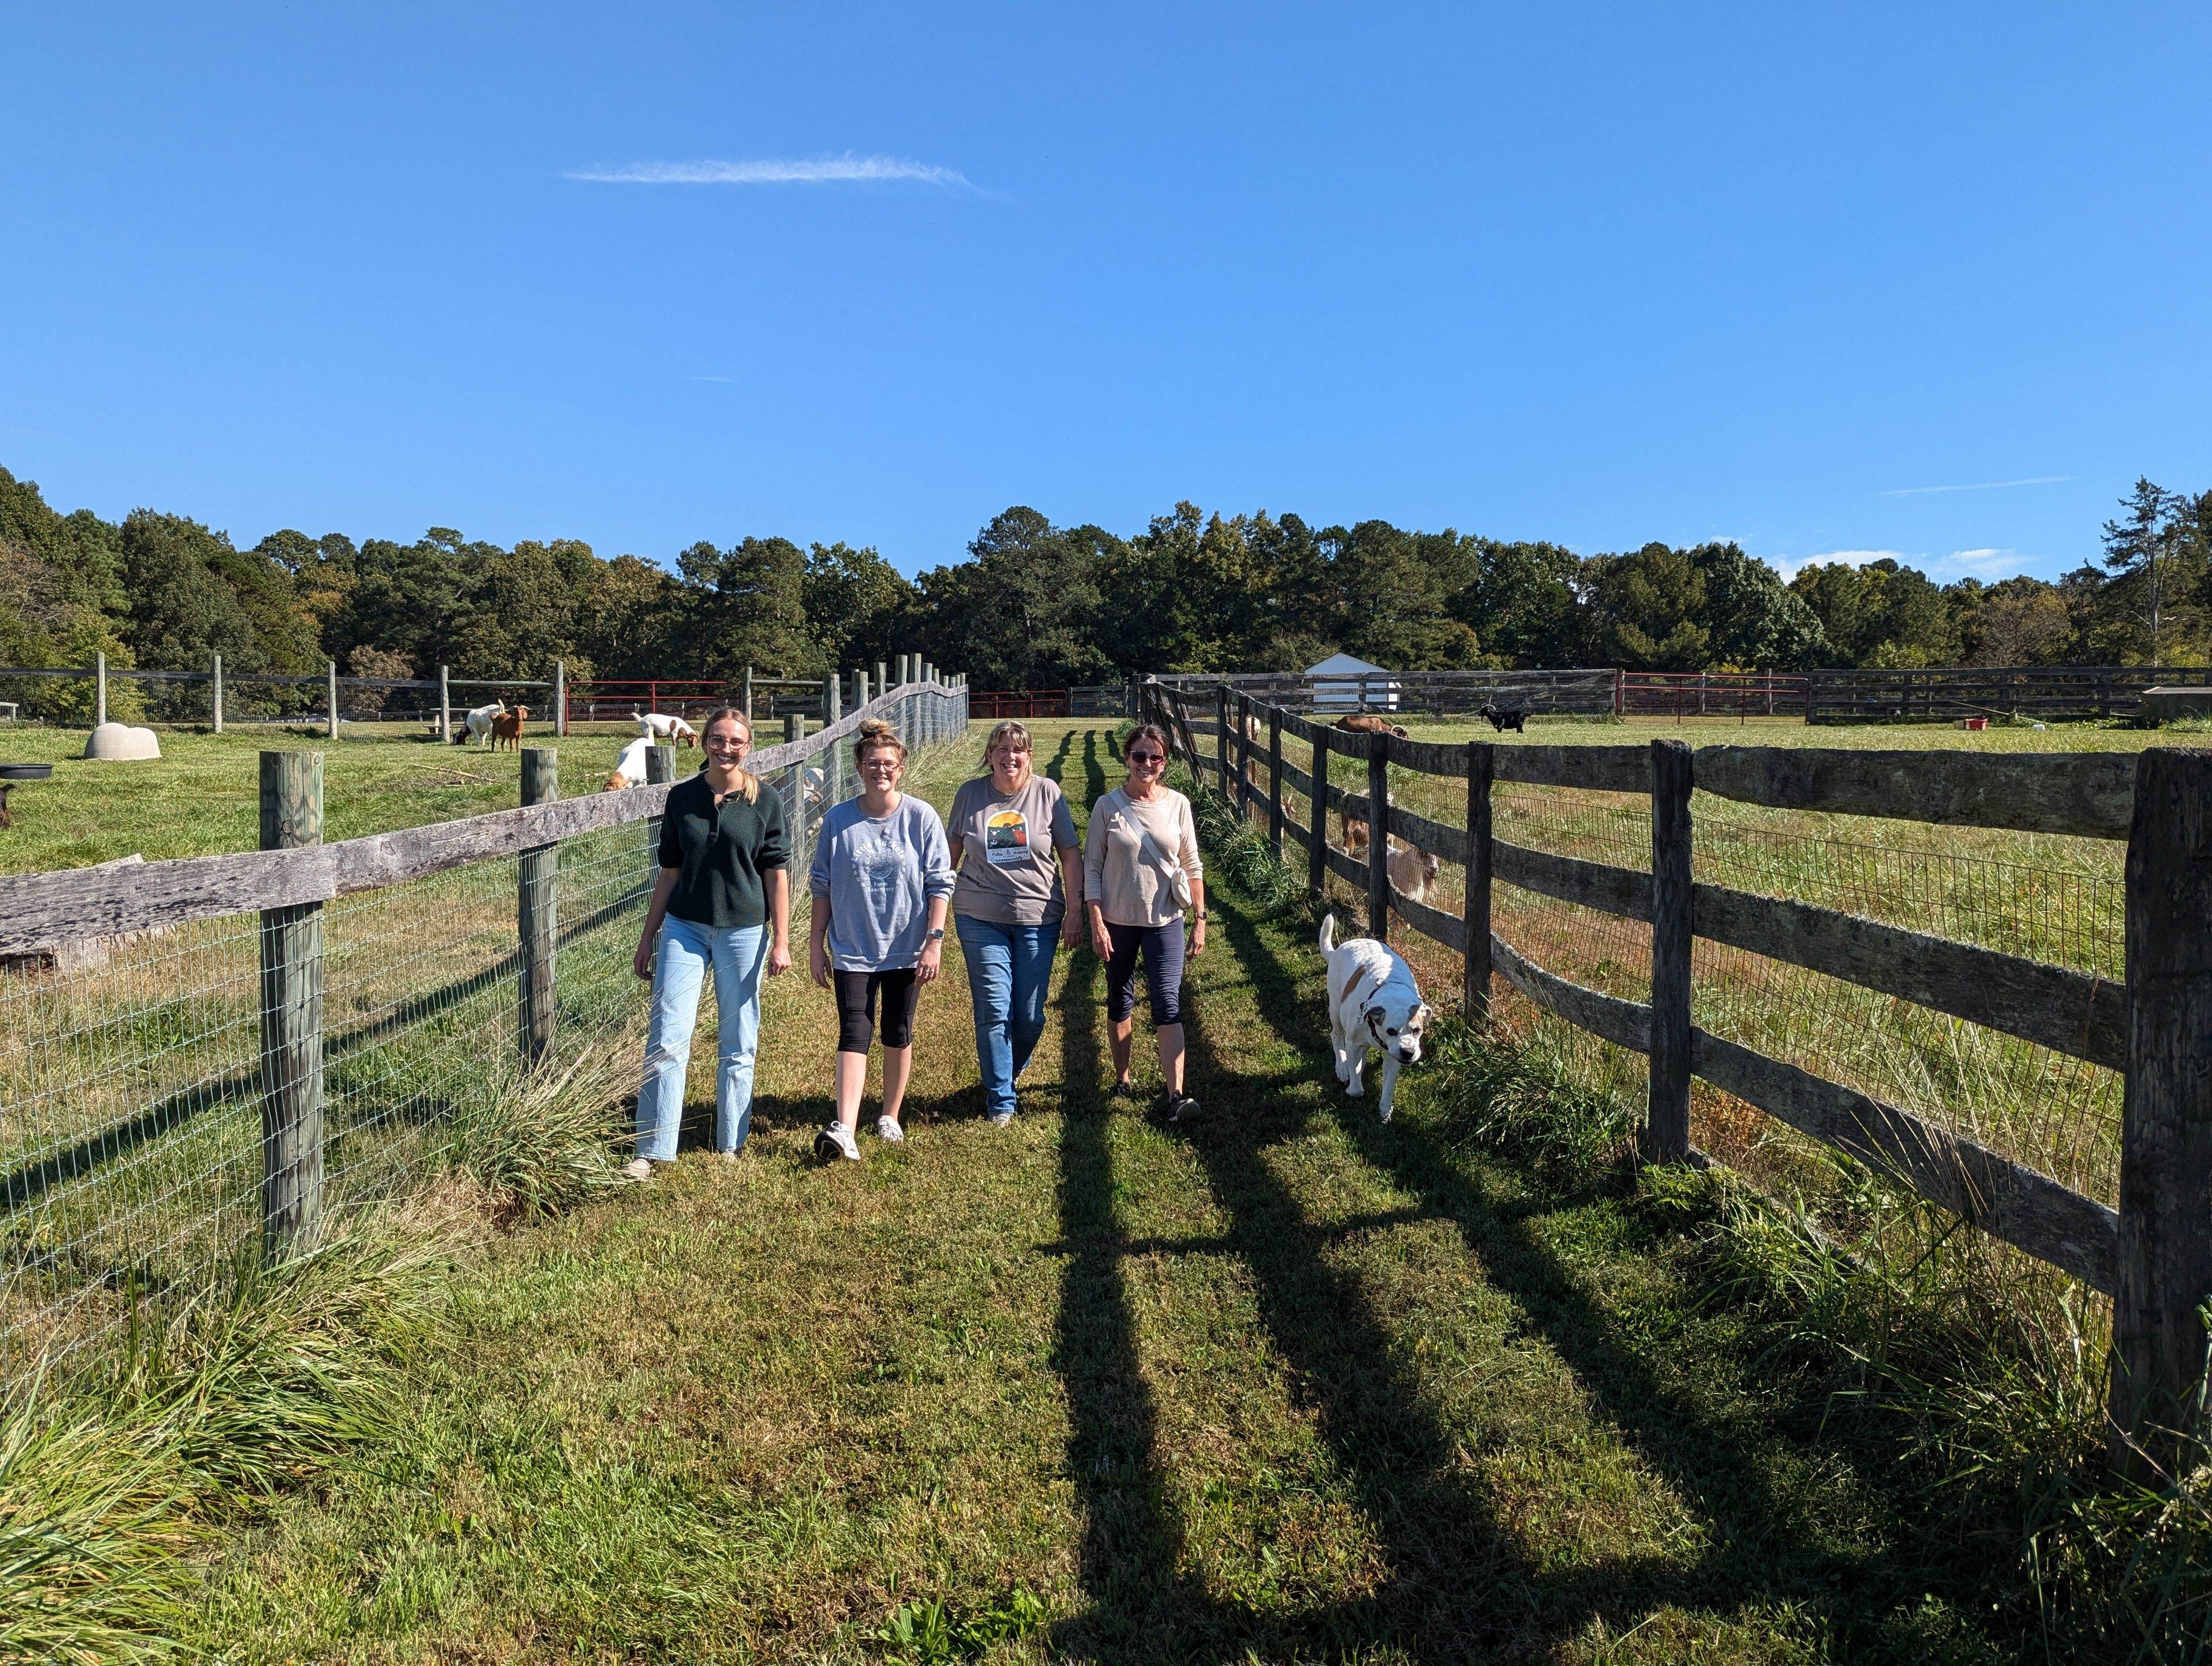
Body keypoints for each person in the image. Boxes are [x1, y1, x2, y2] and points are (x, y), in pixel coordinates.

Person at [627, 707, 792, 1178]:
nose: (726, 748)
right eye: (718, 740)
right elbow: (669, 873)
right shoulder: (682, 798)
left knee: (738, 1039)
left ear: (748, 746)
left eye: (735, 742)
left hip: (744, 930)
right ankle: (652, 1147)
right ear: (704, 743)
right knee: (667, 1037)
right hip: (685, 928)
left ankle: (730, 1142)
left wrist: (781, 939)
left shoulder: (766, 802)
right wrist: (649, 936)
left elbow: (776, 874)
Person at [808, 719, 955, 1163]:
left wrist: (934, 940)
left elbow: (940, 883)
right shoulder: (838, 820)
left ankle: (890, 1114)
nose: (881, 771)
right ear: (859, 766)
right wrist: (816, 943)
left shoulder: (921, 817)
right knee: (854, 1028)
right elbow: (821, 884)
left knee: (897, 1028)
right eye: (873, 763)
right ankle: (846, 1127)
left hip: (907, 944)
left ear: (901, 768)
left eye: (889, 764)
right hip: (852, 944)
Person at [946, 720, 1083, 1126]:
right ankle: (1001, 1099)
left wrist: (1075, 911)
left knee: (1029, 1015)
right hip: (979, 914)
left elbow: (1071, 856)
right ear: (989, 755)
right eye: (1001, 749)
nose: (1010, 757)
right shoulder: (970, 795)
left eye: (1018, 750)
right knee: (993, 1009)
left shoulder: (1048, 794)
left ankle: (1006, 1069)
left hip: (1038, 915)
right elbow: (949, 855)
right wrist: (931, 906)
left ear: (1029, 756)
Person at [1083, 722, 1205, 1122]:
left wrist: (1200, 919)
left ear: (1165, 763)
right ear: (1127, 758)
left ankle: (1177, 1096)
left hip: (1166, 920)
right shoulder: (1107, 806)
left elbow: (1192, 865)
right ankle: (1123, 1076)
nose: (1147, 763)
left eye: (1155, 757)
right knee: (1120, 999)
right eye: (1139, 755)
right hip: (1118, 921)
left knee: (1168, 1003)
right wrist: (1097, 921)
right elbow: (1093, 868)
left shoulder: (1178, 805)